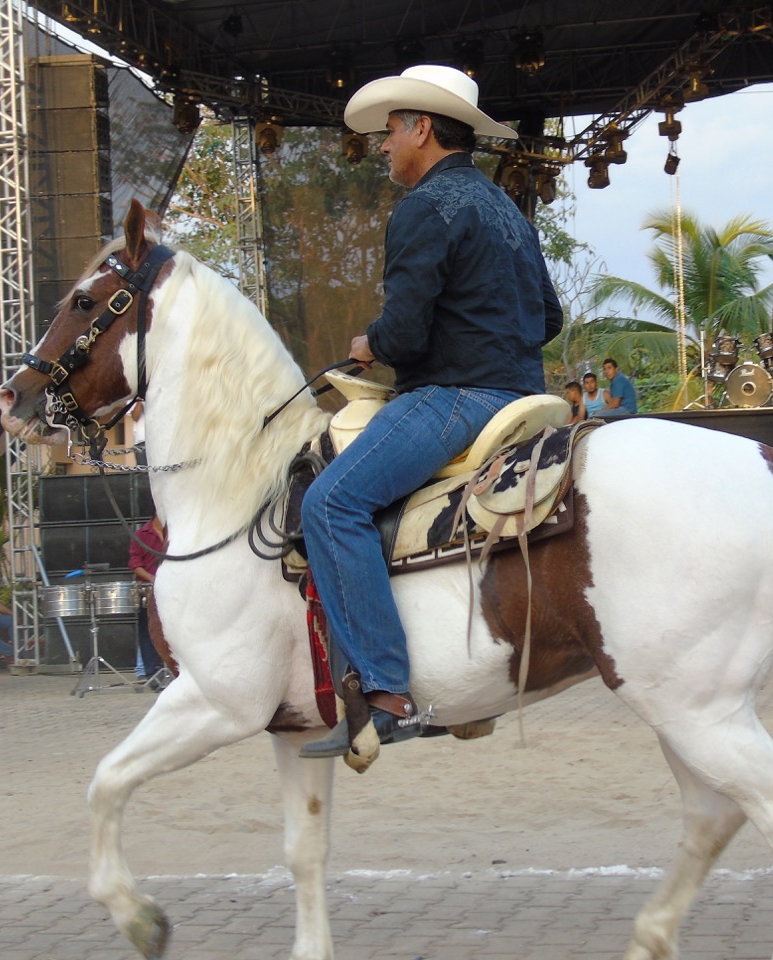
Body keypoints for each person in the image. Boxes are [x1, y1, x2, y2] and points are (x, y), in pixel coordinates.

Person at [299, 64, 563, 760]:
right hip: (527, 398)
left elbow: (407, 334)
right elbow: (552, 316)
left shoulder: (424, 206)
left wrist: (370, 344)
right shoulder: (507, 208)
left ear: (421, 127)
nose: (383, 146)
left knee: (329, 505)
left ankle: (384, 692)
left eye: (390, 131)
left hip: (456, 398)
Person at [128, 516, 167, 685]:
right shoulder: (141, 534)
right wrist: (152, 578)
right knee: (148, 631)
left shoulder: (174, 532)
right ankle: (152, 673)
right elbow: (135, 564)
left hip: (171, 588)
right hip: (149, 589)